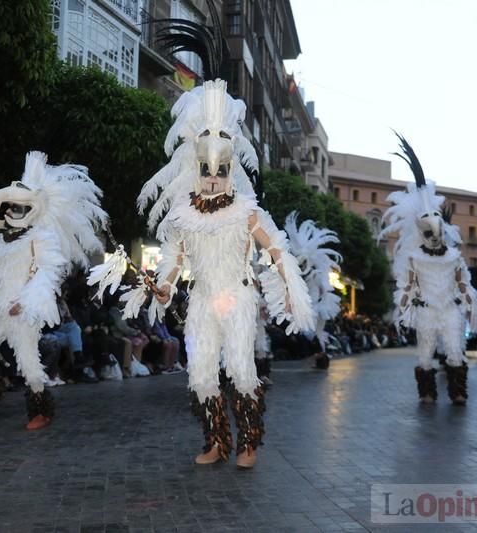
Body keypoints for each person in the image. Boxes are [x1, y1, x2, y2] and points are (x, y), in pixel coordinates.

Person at [93, 79, 315, 468]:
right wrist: (163, 287)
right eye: (207, 169)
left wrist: (291, 285)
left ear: (230, 170)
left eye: (221, 169)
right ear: (196, 169)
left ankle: (248, 443)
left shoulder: (247, 211)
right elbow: (173, 261)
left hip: (238, 297)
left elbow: (275, 248)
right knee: (200, 374)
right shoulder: (183, 215)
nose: (213, 176)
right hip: (201, 301)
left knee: (243, 372)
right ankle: (216, 441)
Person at [0, 151, 107, 430]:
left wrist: (28, 303)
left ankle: (42, 409)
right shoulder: (1, 243)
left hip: (23, 312)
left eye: (16, 208)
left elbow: (47, 275)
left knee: (29, 366)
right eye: (9, 208)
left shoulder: (40, 239)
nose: (9, 213)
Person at [379, 134, 477, 405]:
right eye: (430, 234)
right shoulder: (414, 259)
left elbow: (463, 283)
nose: (435, 238)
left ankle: (458, 391)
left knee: (455, 351)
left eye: (438, 234)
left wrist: (470, 302)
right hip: (425, 310)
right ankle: (426, 392)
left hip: (449, 309)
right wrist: (404, 308)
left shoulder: (455, 257)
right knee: (424, 353)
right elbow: (407, 286)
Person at [284, 212, 343, 370]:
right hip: (308, 306)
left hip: (318, 307)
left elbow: (325, 289)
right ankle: (319, 357)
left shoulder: (317, 275)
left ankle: (321, 358)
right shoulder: (301, 276)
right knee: (309, 333)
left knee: (315, 332)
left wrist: (324, 300)